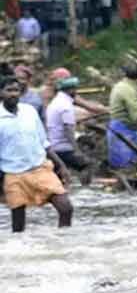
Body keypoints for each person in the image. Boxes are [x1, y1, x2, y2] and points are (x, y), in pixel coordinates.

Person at [0, 75, 73, 232]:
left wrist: (61, 166)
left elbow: (44, 142)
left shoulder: (30, 111)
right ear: (1, 93)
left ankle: (64, 245)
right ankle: (21, 251)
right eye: (9, 90)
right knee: (18, 225)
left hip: (40, 168)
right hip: (13, 175)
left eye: (16, 90)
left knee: (66, 207)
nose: (13, 94)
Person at [45, 76, 91, 186]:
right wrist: (77, 150)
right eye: (75, 89)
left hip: (53, 146)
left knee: (57, 176)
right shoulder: (66, 105)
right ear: (71, 90)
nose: (76, 92)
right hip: (63, 147)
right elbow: (68, 129)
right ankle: (85, 190)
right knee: (87, 165)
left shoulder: (55, 102)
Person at [107, 62, 137, 169]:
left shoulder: (119, 86)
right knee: (127, 165)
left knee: (117, 164)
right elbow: (136, 116)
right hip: (124, 130)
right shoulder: (129, 90)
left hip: (115, 126)